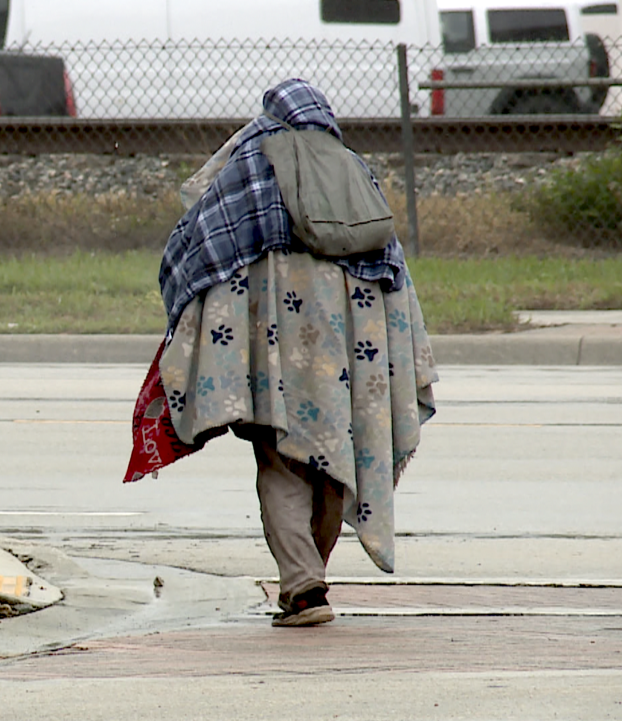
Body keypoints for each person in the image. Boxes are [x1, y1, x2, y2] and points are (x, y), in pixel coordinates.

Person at [124, 78, 438, 627]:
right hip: (348, 354)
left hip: (268, 350)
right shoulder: (352, 170)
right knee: (334, 461)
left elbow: (196, 251)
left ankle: (303, 586)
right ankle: (309, 580)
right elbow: (393, 277)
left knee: (279, 457)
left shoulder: (251, 164)